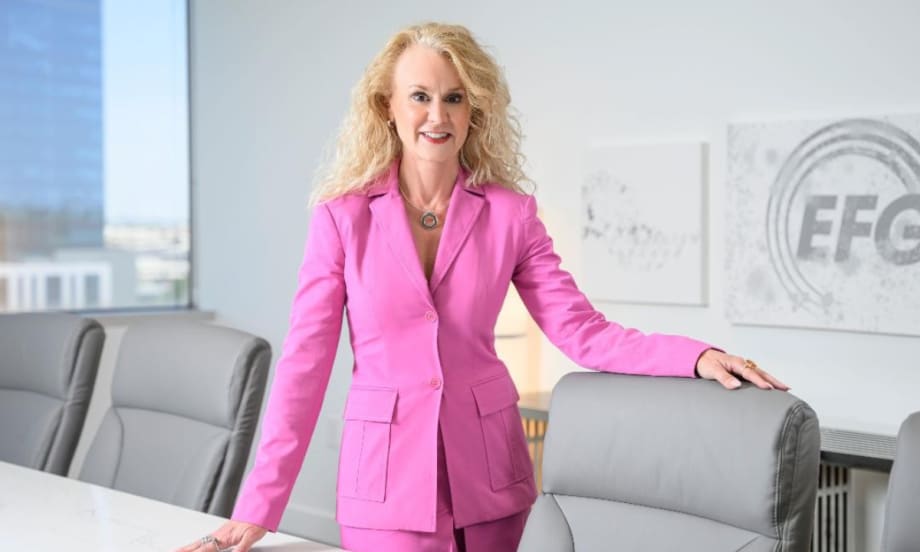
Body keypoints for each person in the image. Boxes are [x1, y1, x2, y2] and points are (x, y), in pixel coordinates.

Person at [178, 22, 788, 552]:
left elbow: (583, 333)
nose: (437, 115)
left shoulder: (510, 214)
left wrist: (696, 355)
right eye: (419, 96)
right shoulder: (342, 218)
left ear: (475, 111)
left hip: (491, 481)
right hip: (385, 485)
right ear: (387, 106)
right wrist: (258, 505)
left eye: (454, 98)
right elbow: (304, 366)